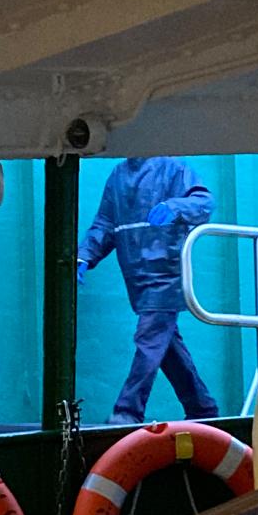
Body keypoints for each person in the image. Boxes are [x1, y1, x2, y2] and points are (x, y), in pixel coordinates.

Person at [78, 156, 220, 425]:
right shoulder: (118, 175)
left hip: (166, 271)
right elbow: (105, 224)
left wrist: (175, 207)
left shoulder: (174, 167)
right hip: (136, 273)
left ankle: (127, 410)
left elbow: (204, 201)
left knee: (150, 338)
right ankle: (202, 408)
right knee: (164, 346)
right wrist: (84, 255)